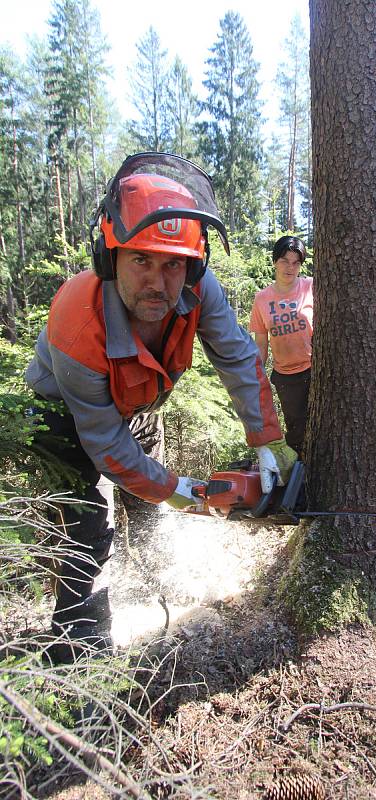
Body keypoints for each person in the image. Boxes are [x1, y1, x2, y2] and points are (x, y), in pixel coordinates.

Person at [25, 152, 297, 662]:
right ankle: (79, 649)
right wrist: (182, 492)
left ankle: (157, 584)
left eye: (173, 263)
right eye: (141, 260)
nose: (158, 280)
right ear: (111, 258)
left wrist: (267, 439)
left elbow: (238, 356)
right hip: (65, 414)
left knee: (146, 501)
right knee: (90, 524)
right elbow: (106, 445)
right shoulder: (76, 327)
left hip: (139, 398)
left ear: (192, 265)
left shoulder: (197, 287)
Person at [249, 236, 313, 458]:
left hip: (315, 370)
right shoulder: (262, 299)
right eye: (285, 261)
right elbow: (261, 342)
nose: (290, 267)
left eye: (296, 262)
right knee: (296, 431)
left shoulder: (311, 287)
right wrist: (258, 375)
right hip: (286, 377)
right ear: (275, 261)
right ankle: (300, 478)